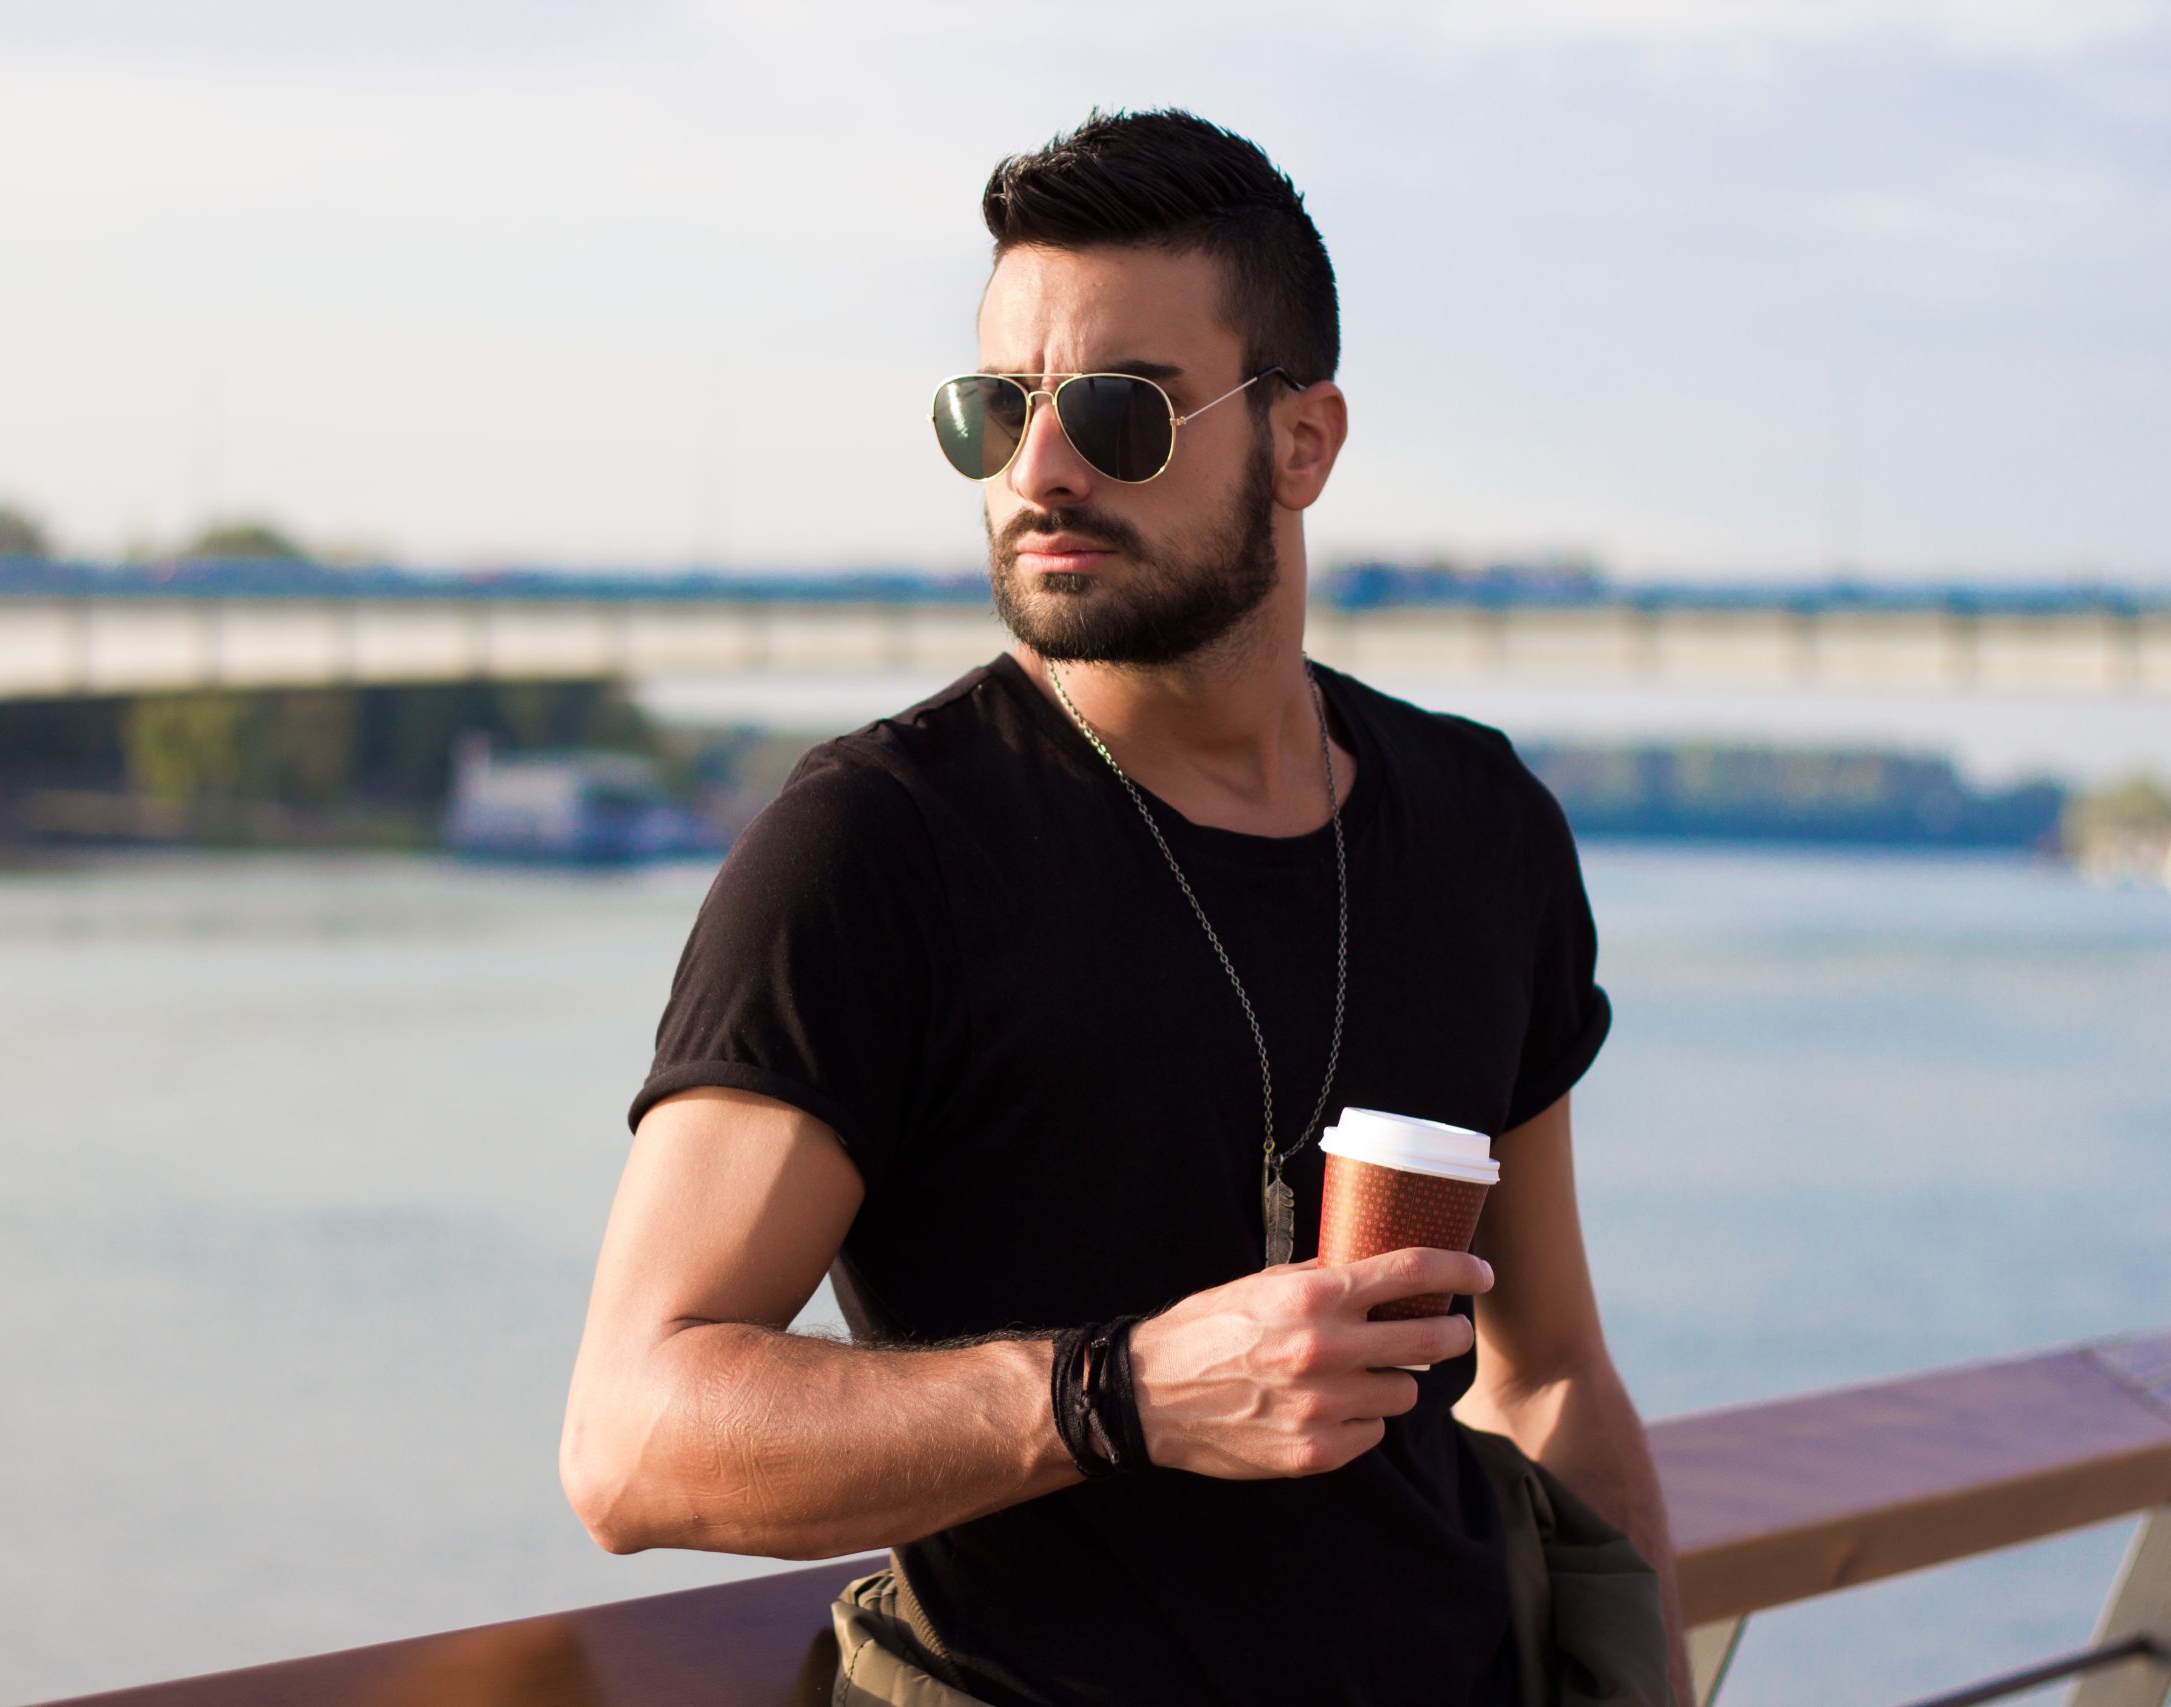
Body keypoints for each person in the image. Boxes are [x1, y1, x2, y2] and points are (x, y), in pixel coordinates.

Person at [561, 108, 1691, 1707]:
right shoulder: (875, 849)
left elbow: (1552, 1370)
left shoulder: (1479, 828)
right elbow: (631, 1438)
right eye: (993, 413)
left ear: (1304, 441)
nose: (1041, 471)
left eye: (1117, 413)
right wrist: (1125, 1392)